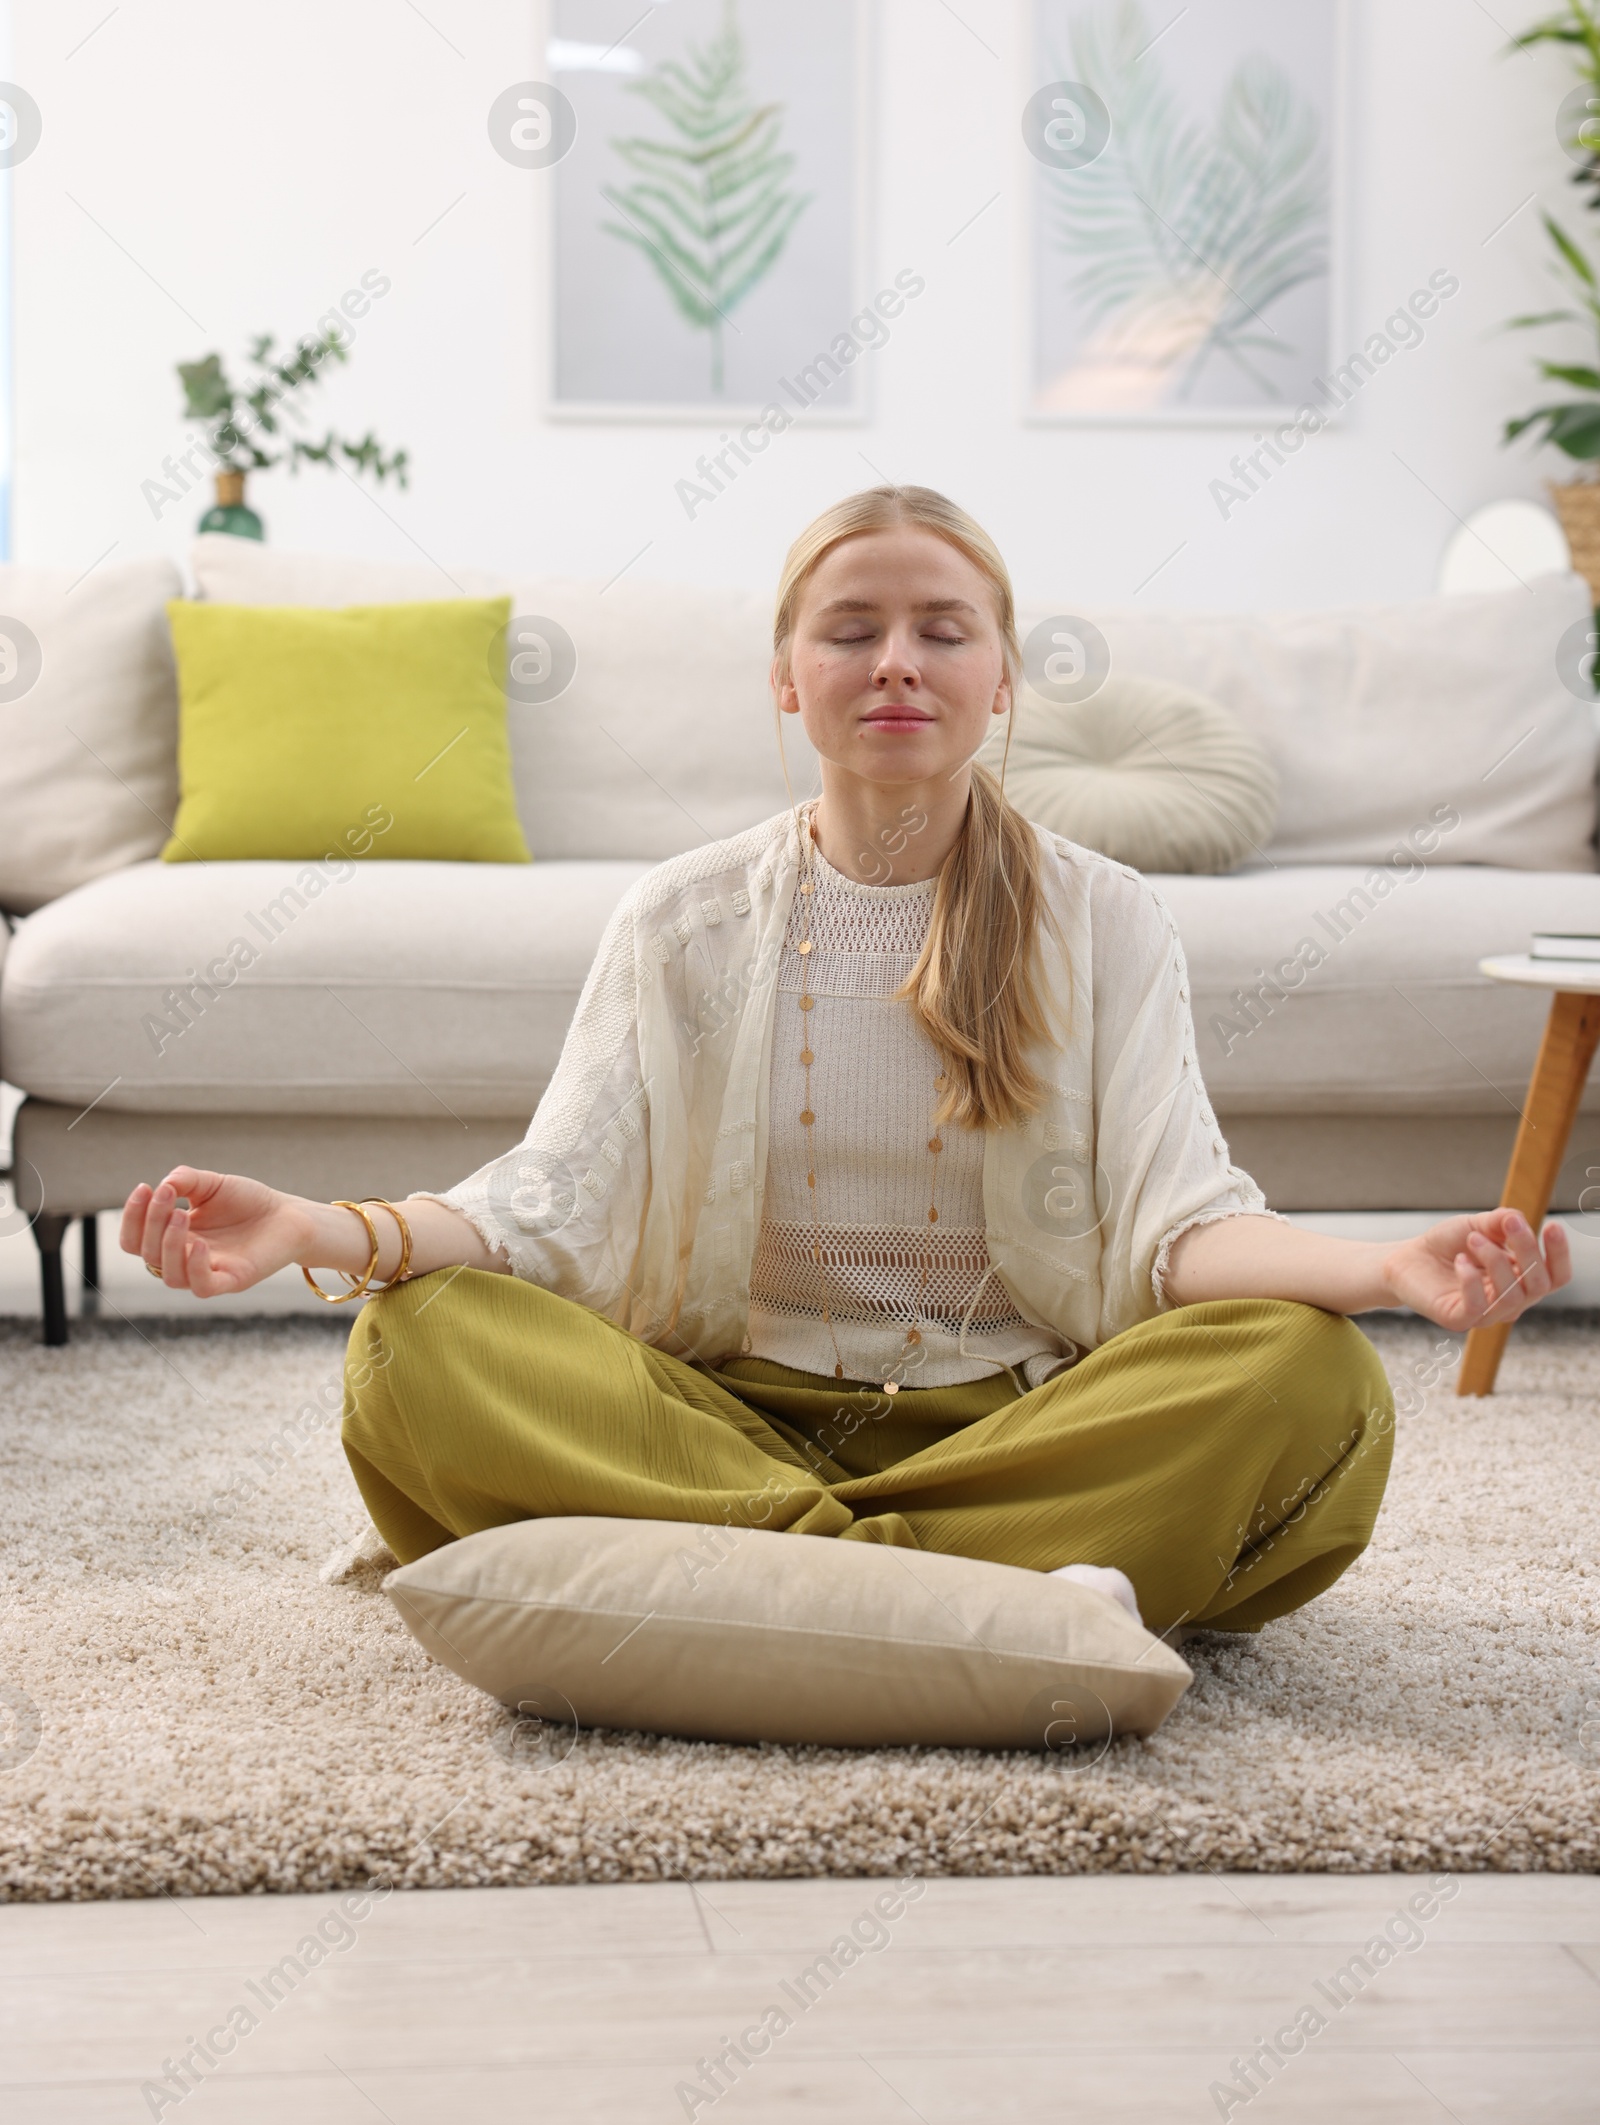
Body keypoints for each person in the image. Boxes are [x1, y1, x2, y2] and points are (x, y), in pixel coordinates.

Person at [119, 486, 1569, 1638]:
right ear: (782, 678)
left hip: (1019, 1424)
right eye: (849, 628)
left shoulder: (1105, 918)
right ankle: (993, 1597)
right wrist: (319, 1231)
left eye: (943, 630)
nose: (895, 662)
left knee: (1310, 1380)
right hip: (721, 1416)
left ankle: (756, 1591)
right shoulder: (681, 918)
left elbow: (1181, 1233)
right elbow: (541, 1211)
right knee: (418, 1343)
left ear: (1002, 680)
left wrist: (1385, 1271)